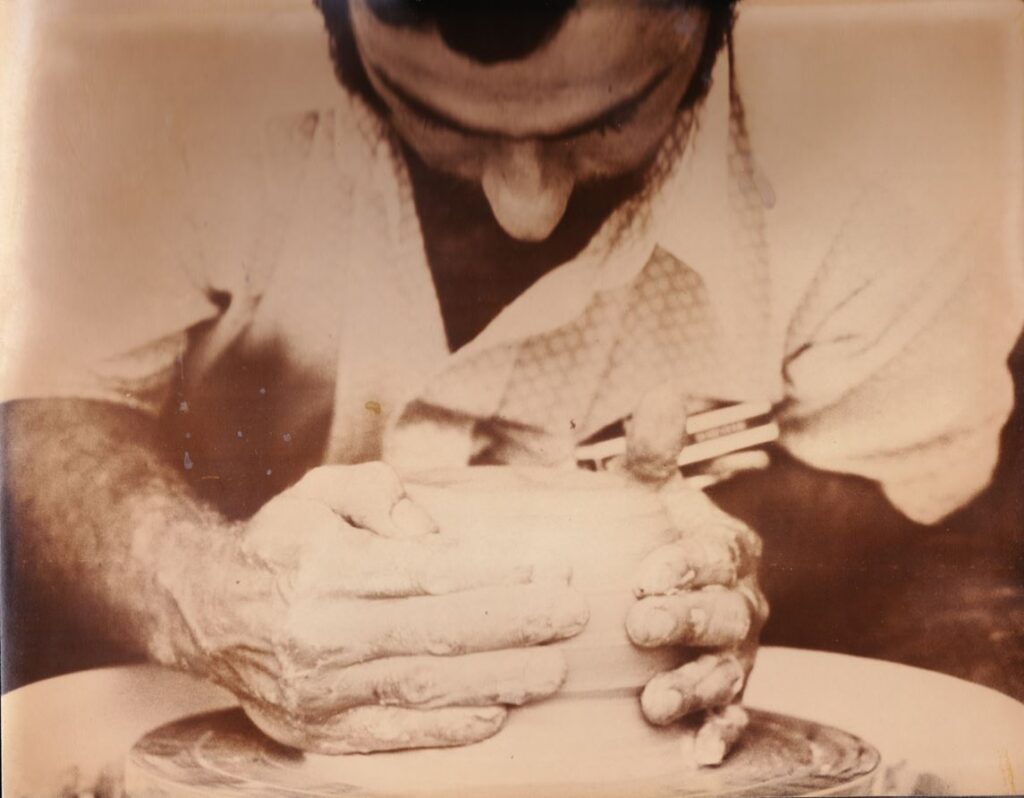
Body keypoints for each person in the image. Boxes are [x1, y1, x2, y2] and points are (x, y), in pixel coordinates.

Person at [3, 0, 1021, 764]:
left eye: (607, 119)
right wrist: (197, 585)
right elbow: (41, 398)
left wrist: (693, 566)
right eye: (434, 119)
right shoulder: (148, 48)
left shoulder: (906, 117)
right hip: (234, 616)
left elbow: (884, 462)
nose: (523, 208)